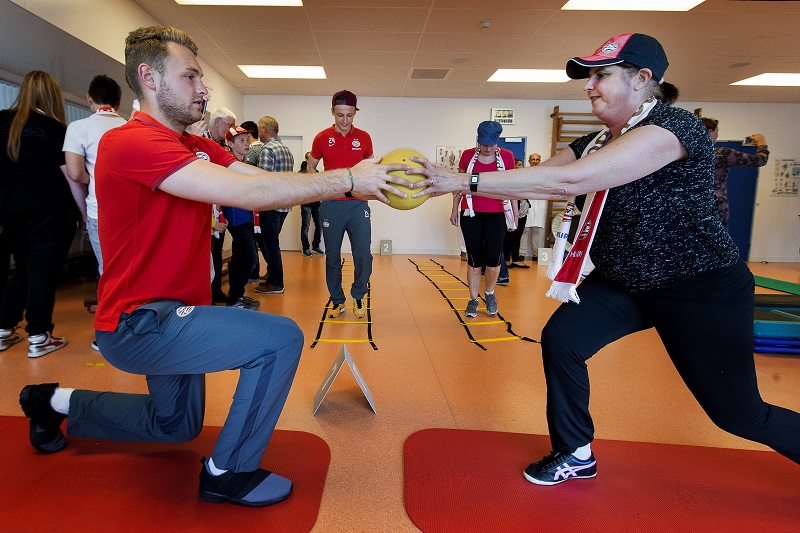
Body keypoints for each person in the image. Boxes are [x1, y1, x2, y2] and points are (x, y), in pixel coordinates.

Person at [18, 25, 411, 507]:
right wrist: (349, 176)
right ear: (150, 78)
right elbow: (245, 194)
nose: (204, 88)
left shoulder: (196, 146)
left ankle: (51, 402)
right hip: (139, 322)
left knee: (175, 425)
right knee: (280, 339)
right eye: (191, 77)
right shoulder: (131, 143)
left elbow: (261, 179)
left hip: (173, 314)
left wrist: (355, 184)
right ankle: (227, 472)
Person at [411, 33, 800, 485]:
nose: (588, 85)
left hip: (700, 288)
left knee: (740, 415)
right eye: (588, 76)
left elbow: (569, 183)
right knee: (564, 340)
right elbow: (545, 173)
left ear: (641, 79)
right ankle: (575, 452)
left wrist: (461, 182)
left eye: (601, 75)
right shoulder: (595, 139)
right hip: (626, 282)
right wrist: (458, 178)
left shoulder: (674, 128)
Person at [0, 71, 81, 358]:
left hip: (10, 212)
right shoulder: (56, 128)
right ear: (51, 97)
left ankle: (4, 329)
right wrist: (84, 212)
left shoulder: (1, 121)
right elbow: (71, 176)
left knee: (23, 269)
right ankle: (39, 335)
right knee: (42, 272)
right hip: (51, 212)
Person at [63, 74, 128, 351]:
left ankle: (111, 334)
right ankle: (135, 329)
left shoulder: (79, 128)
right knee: (132, 269)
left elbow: (75, 173)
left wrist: (97, 175)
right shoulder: (130, 126)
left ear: (90, 99)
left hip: (99, 211)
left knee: (108, 273)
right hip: (132, 212)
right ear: (118, 101)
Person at [309, 90, 374, 319]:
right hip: (331, 205)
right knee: (333, 256)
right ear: (332, 113)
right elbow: (311, 167)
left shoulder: (364, 138)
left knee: (363, 254)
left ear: (355, 113)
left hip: (357, 204)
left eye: (349, 115)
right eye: (340, 115)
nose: (344, 121)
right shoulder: (321, 138)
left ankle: (358, 296)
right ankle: (337, 300)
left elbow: (369, 170)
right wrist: (320, 187)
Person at [452, 121, 516, 318]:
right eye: (484, 144)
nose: (488, 148)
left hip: (497, 213)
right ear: (478, 139)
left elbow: (513, 187)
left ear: (497, 141)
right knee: (474, 258)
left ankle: (489, 293)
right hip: (471, 212)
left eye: (491, 144)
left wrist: (513, 215)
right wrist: (454, 209)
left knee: (494, 258)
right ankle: (473, 299)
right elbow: (459, 185)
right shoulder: (467, 156)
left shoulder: (506, 157)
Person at [700, 117, 769, 228]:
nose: (717, 135)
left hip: (691, 208)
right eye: (717, 131)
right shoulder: (722, 154)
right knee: (717, 242)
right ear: (710, 132)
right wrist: (762, 144)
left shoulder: (684, 154)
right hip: (716, 207)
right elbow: (760, 160)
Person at [254, 116, 294, 295]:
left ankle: (276, 283)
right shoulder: (286, 149)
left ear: (264, 129)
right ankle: (271, 275)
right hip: (284, 204)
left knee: (271, 245)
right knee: (272, 242)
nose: (258, 132)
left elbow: (262, 180)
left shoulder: (267, 149)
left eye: (259, 129)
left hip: (270, 204)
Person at [221, 125, 260, 309]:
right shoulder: (229, 165)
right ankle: (235, 298)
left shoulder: (243, 165)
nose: (246, 144)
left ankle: (236, 296)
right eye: (241, 141)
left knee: (238, 258)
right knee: (250, 258)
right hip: (236, 219)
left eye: (247, 140)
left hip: (246, 217)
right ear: (230, 144)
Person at [522, 153, 547, 262]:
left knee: (538, 233)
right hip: (527, 206)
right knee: (524, 232)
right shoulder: (524, 173)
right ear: (529, 160)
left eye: (537, 159)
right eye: (533, 159)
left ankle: (537, 255)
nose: (535, 161)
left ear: (540, 160)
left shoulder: (545, 174)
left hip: (540, 207)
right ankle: (521, 253)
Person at [299, 152, 324, 257]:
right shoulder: (301, 174)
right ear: (306, 160)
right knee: (305, 227)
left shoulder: (317, 173)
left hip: (317, 205)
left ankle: (315, 246)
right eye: (311, 158)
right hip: (306, 205)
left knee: (319, 226)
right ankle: (305, 248)